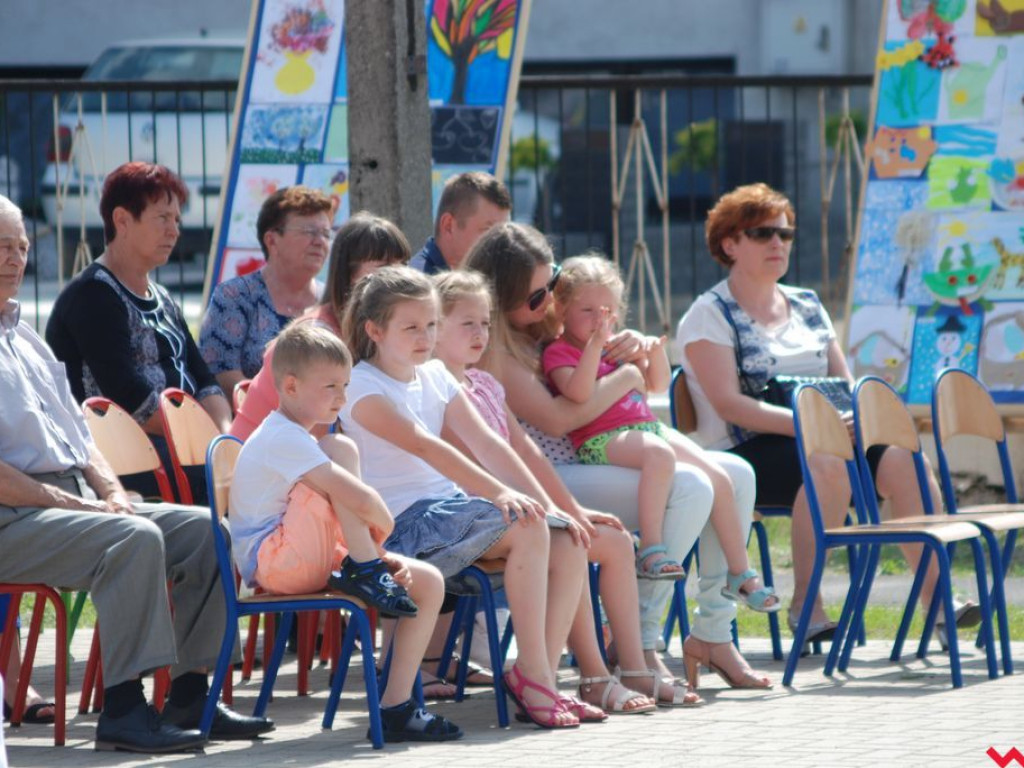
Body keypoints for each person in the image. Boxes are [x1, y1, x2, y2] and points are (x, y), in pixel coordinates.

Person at [0, 193, 271, 753]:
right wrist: (79, 505)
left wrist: (111, 490)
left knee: (206, 533)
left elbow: (79, 437)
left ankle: (193, 693)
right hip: (14, 515)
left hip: (63, 501)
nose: (15, 258)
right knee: (132, 539)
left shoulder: (21, 337)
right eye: (2, 246)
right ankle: (124, 709)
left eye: (22, 246)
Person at [466, 223, 771, 691]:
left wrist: (627, 345)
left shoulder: (547, 324)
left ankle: (714, 631)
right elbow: (557, 421)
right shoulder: (496, 348)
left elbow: (598, 350)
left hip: (595, 452)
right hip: (554, 472)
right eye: (535, 296)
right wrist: (625, 378)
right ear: (500, 294)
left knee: (737, 472)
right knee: (690, 486)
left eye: (552, 286)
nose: (549, 300)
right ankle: (642, 644)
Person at [673, 182, 978, 646]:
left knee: (904, 459)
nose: (778, 243)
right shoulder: (707, 314)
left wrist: (861, 417)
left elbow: (845, 380)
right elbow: (730, 405)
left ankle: (939, 601)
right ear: (729, 244)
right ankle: (807, 603)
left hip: (825, 435)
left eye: (785, 233)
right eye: (761, 234)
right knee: (826, 465)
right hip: (746, 452)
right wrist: (810, 425)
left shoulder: (807, 304)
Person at [338, 266, 596, 728]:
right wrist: (501, 493)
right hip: (405, 527)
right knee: (528, 525)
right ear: (374, 330)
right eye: (411, 327)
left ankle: (540, 677)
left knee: (566, 538)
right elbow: (423, 444)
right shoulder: (361, 386)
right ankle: (534, 678)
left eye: (431, 325)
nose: (425, 337)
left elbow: (488, 442)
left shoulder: (435, 373)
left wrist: (547, 503)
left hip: (451, 514)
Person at [432, 270, 663, 711]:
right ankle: (553, 677)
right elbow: (477, 463)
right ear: (434, 327)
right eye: (467, 324)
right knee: (567, 539)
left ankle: (629, 668)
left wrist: (571, 506)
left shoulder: (484, 384)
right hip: (473, 513)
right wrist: (554, 512)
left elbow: (527, 454)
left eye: (485, 323)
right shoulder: (436, 388)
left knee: (612, 541)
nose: (481, 333)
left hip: (515, 511)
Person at [230, 322, 461, 742]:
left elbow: (339, 505)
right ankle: (367, 565)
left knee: (428, 582)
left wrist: (370, 537)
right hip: (275, 566)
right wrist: (382, 524)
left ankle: (397, 706)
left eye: (347, 385)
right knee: (339, 452)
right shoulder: (282, 436)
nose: (342, 397)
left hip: (303, 554)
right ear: (292, 386)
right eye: (331, 386)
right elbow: (353, 497)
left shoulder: (300, 435)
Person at [46, 162, 231, 503]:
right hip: (130, 458)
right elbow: (129, 398)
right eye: (163, 218)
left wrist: (224, 439)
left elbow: (203, 378)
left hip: (187, 446)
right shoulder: (94, 296)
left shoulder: (162, 297)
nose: (174, 231)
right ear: (122, 220)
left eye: (177, 220)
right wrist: (201, 443)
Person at [230, 212, 411, 441]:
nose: (400, 277)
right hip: (268, 465)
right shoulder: (317, 337)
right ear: (349, 274)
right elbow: (318, 441)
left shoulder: (369, 333)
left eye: (402, 265)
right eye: (384, 268)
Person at [199, 186, 331, 395]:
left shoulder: (332, 301)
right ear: (272, 240)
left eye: (326, 233)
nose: (320, 242)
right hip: (255, 421)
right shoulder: (234, 297)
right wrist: (285, 410)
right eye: (309, 232)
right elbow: (223, 374)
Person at [410, 171, 511, 275]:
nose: (500, 244)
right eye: (488, 232)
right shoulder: (418, 286)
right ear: (448, 226)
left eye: (503, 233)